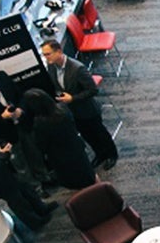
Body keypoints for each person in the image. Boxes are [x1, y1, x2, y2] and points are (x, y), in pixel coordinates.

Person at [40, 39, 118, 171]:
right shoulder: (51, 66)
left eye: (48, 54)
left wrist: (73, 98)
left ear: (58, 51)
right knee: (87, 135)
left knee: (99, 133)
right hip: (72, 111)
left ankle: (111, 155)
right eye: (44, 55)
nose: (46, 58)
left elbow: (93, 90)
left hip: (87, 110)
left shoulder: (77, 68)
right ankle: (100, 154)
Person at [22, 89, 96, 190]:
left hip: (61, 158)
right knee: (90, 175)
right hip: (76, 148)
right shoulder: (63, 109)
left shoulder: (40, 124)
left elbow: (41, 145)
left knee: (78, 184)